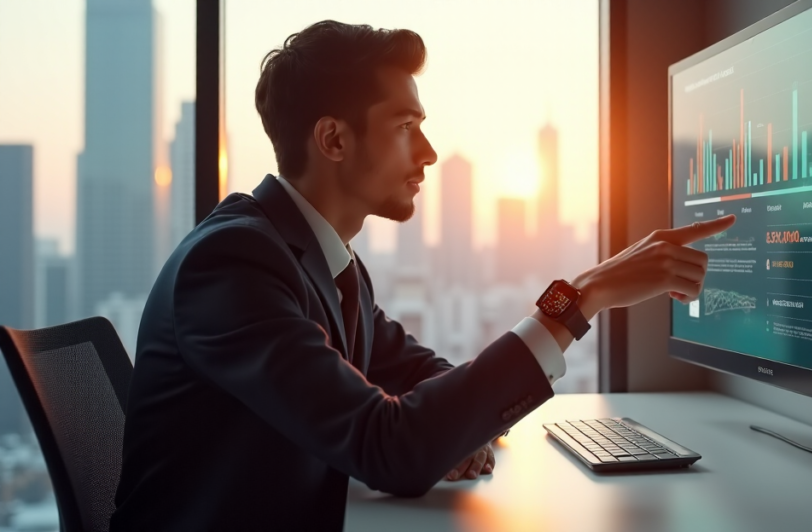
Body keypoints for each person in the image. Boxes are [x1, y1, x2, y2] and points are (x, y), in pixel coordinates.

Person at [110, 21, 735, 531]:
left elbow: (422, 374)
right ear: (333, 139)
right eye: (406, 126)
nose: (429, 151)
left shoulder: (327, 263)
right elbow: (393, 451)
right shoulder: (234, 267)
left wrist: (451, 430)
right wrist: (581, 296)